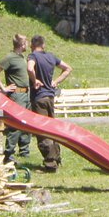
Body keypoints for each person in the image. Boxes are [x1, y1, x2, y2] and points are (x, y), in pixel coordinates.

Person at [28, 34, 72, 172]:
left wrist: (34, 80)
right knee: (52, 129)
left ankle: (50, 163)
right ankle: (57, 157)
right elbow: (68, 69)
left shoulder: (33, 56)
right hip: (50, 97)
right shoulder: (51, 57)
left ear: (32, 45)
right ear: (44, 45)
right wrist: (56, 82)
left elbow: (30, 68)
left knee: (42, 131)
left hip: (39, 98)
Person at [0, 33, 32, 164]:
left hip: (27, 94)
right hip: (17, 95)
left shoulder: (22, 57)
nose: (27, 45)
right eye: (26, 43)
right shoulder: (9, 58)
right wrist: (3, 88)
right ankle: (9, 152)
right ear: (22, 44)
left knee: (26, 122)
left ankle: (24, 149)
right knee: (16, 124)